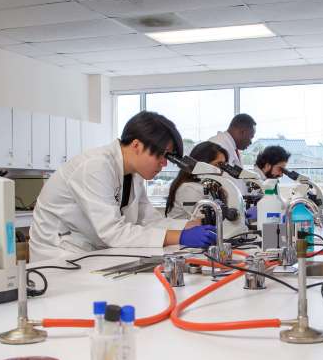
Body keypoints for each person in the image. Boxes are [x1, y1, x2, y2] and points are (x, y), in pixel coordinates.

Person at [30, 111, 216, 262]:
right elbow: (113, 232)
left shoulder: (133, 174)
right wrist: (180, 237)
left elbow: (149, 220)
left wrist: (188, 226)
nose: (164, 164)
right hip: (58, 257)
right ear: (136, 145)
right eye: (161, 156)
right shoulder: (95, 167)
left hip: (90, 252)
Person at [165, 141, 229, 220]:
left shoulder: (209, 185)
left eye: (224, 166)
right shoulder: (188, 188)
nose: (221, 171)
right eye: (218, 165)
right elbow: (208, 220)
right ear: (202, 164)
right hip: (180, 231)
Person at [209, 113, 256, 193]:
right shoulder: (217, 145)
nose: (251, 142)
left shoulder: (232, 148)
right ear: (242, 132)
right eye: (250, 137)